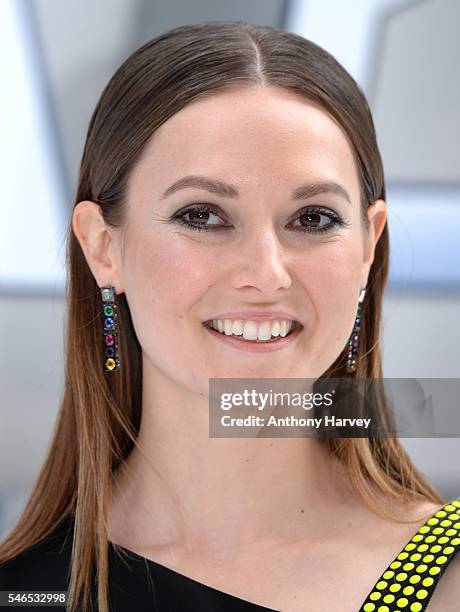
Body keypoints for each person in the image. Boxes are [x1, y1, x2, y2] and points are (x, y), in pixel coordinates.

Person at [0, 20, 459, 612]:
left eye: (314, 218)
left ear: (368, 245)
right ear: (101, 246)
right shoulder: (23, 591)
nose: (266, 273)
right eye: (202, 215)